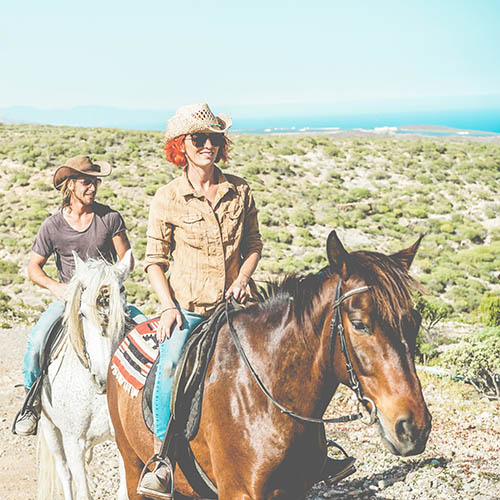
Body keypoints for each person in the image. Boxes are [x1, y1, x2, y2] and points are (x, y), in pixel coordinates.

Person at [138, 103, 263, 498]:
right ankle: (160, 460)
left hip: (235, 307)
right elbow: (155, 261)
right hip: (189, 309)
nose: (208, 145)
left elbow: (254, 245)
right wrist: (168, 306)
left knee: (287, 352)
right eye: (199, 138)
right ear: (182, 146)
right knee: (171, 363)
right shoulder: (168, 198)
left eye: (214, 138)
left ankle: (312, 448)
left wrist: (243, 277)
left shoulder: (239, 190)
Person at [13, 155, 146, 436]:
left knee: (147, 333)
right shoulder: (52, 226)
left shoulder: (109, 218)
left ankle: (148, 403)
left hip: (109, 300)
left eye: (95, 181)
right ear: (70, 186)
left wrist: (112, 275)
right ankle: (31, 403)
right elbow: (33, 268)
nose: (94, 187)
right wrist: (56, 287)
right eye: (87, 181)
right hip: (70, 302)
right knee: (37, 342)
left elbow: (127, 259)